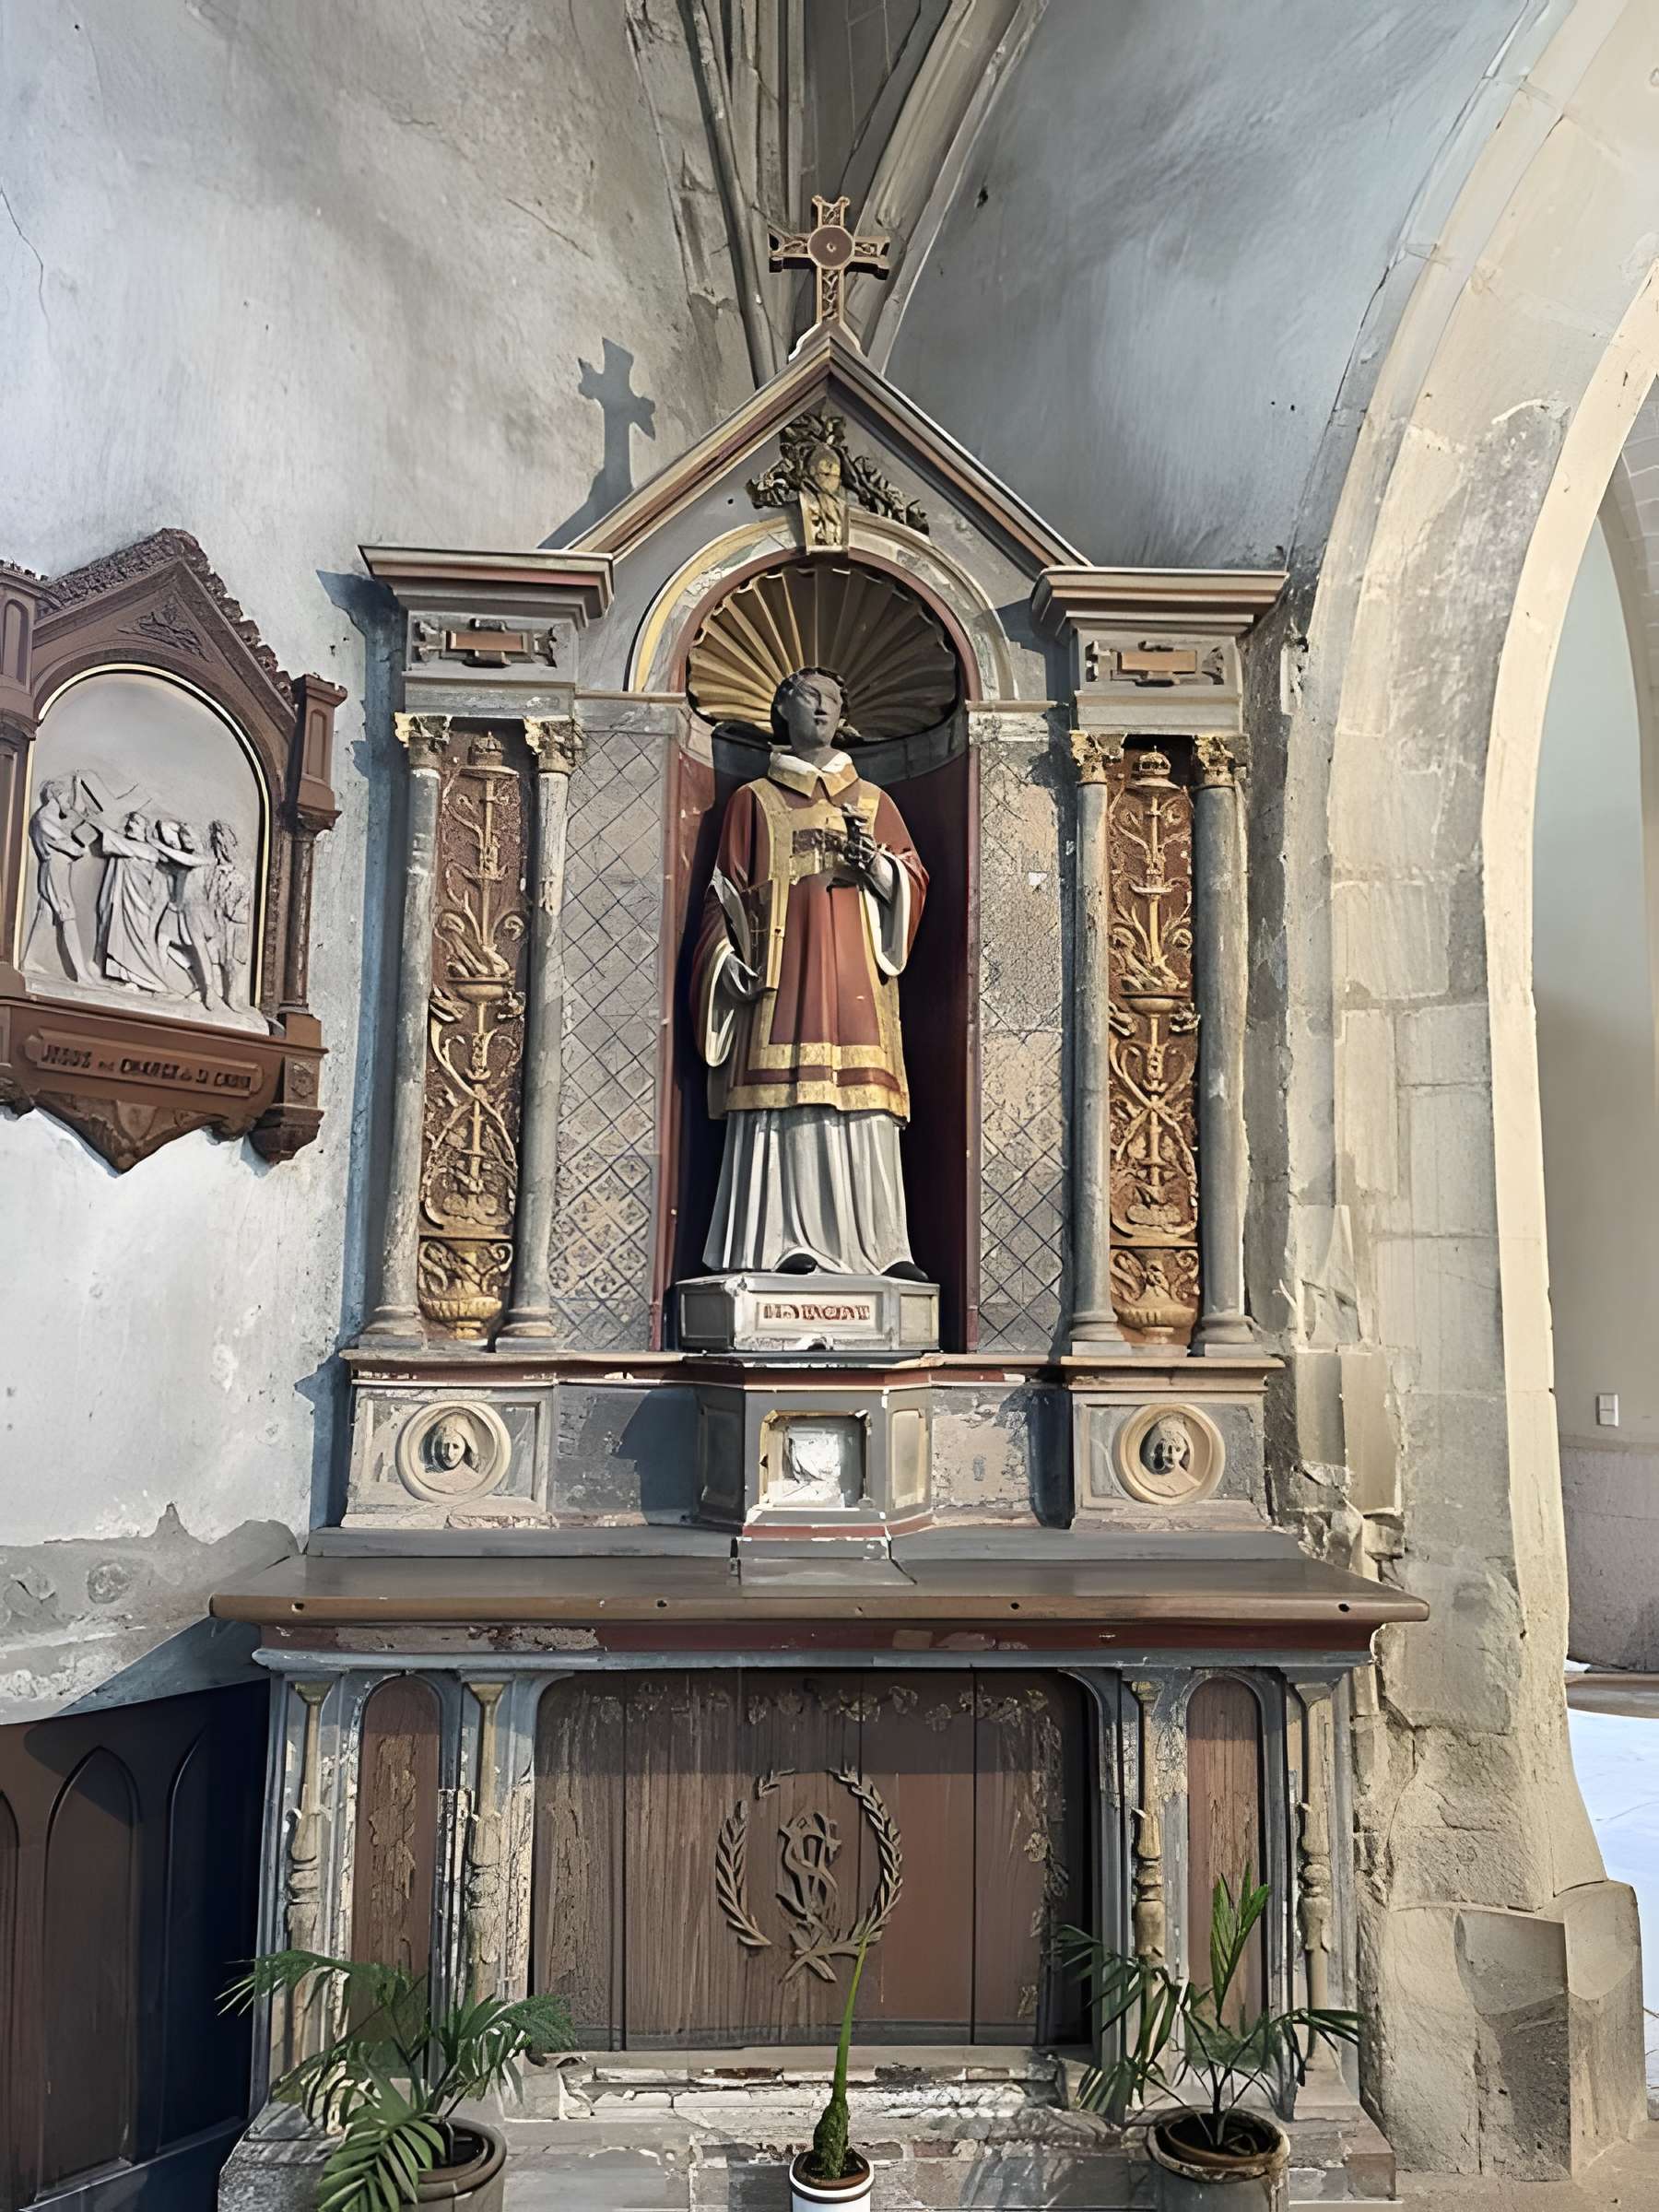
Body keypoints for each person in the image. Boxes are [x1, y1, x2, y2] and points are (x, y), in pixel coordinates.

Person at [690, 666, 928, 1277]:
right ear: (782, 709)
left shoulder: (873, 801)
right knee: (784, 1094)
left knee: (863, 1099)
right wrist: (725, 962)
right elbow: (723, 894)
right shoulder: (754, 800)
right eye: (808, 696)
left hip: (855, 985)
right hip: (781, 984)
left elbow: (913, 880)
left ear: (844, 716)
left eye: (832, 699)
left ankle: (881, 1249)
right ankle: (776, 1242)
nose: (821, 707)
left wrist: (877, 868)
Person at [21, 780, 93, 982]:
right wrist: (82, 848)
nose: (68, 803)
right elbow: (67, 845)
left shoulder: (52, 817)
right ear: (55, 796)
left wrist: (78, 787)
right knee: (68, 915)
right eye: (66, 798)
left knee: (46, 913)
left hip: (56, 870)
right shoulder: (44, 818)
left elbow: (75, 812)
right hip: (55, 871)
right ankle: (82, 974)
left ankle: (30, 960)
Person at [95, 810, 173, 994]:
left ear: (145, 829)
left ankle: (151, 981)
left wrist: (97, 824)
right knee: (122, 937)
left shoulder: (148, 850)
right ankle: (127, 978)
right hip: (125, 902)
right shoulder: (127, 847)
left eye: (136, 822)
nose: (130, 825)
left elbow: (117, 844)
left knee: (138, 941)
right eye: (130, 821)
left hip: (140, 904)